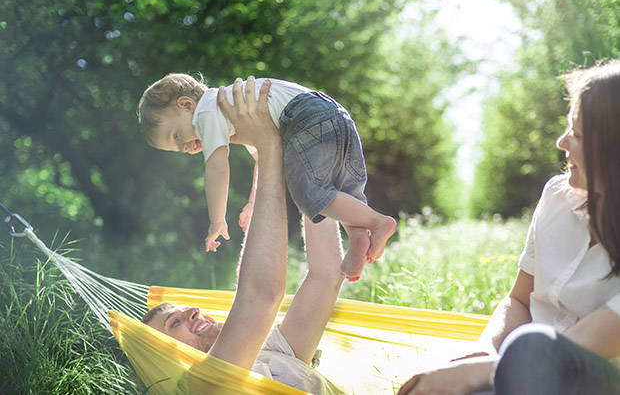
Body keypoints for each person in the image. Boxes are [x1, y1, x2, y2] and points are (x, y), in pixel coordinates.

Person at [398, 61, 620, 395]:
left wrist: (481, 371)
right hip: (522, 375)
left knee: (528, 347)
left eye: (576, 134)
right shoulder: (556, 196)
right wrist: (485, 350)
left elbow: (564, 351)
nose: (561, 142)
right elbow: (518, 300)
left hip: (593, 381)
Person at [142, 78, 345, 394]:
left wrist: (310, 168)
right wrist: (268, 142)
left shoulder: (271, 355)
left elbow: (327, 275)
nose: (193, 311)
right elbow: (261, 295)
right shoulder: (203, 388)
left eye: (180, 312)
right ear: (168, 360)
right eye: (175, 324)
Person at [136, 74, 396, 281]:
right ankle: (359, 236)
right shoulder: (234, 112)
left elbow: (216, 168)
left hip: (306, 116)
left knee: (310, 193)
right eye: (178, 148)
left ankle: (378, 221)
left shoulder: (206, 111)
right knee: (340, 189)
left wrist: (217, 219)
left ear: (186, 105)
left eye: (177, 136)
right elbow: (263, 158)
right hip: (332, 113)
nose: (184, 147)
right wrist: (252, 202)